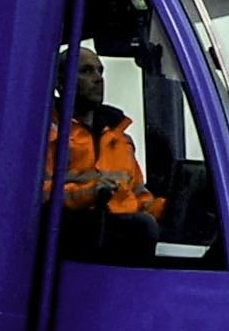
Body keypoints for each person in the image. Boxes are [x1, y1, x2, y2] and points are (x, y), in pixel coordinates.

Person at [47, 58, 154, 247]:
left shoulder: (120, 138)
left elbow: (139, 194)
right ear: (61, 83)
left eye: (100, 71)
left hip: (119, 229)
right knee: (143, 227)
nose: (98, 78)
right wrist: (89, 192)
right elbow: (40, 193)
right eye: (86, 71)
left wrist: (170, 210)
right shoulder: (46, 135)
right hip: (72, 234)